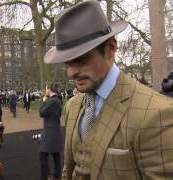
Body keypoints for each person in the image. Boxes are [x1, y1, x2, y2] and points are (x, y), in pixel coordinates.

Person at [43, 1, 173, 180]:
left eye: (80, 59)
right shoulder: (72, 107)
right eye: (67, 62)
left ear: (110, 49)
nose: (71, 72)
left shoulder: (156, 113)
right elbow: (70, 169)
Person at [39, 83, 63, 180]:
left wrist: (43, 101)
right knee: (56, 156)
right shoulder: (58, 100)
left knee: (42, 155)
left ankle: (49, 176)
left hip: (50, 132)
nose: (45, 92)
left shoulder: (52, 101)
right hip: (55, 131)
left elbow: (42, 113)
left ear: (49, 89)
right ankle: (57, 175)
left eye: (46, 89)